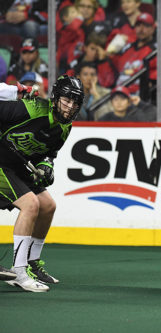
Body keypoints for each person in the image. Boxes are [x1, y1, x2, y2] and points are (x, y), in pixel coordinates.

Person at [0, 75, 84, 292]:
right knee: (31, 205)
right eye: (66, 100)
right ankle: (19, 272)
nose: (70, 107)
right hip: (1, 162)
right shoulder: (30, 108)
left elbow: (49, 153)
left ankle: (31, 263)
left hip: (16, 166)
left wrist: (47, 166)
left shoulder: (65, 127)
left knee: (48, 206)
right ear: (55, 98)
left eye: (75, 103)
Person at [112, 12, 161, 95]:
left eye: (146, 26)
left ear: (153, 29)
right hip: (118, 91)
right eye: (138, 25)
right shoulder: (127, 47)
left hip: (137, 95)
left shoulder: (157, 50)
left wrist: (150, 81)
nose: (141, 29)